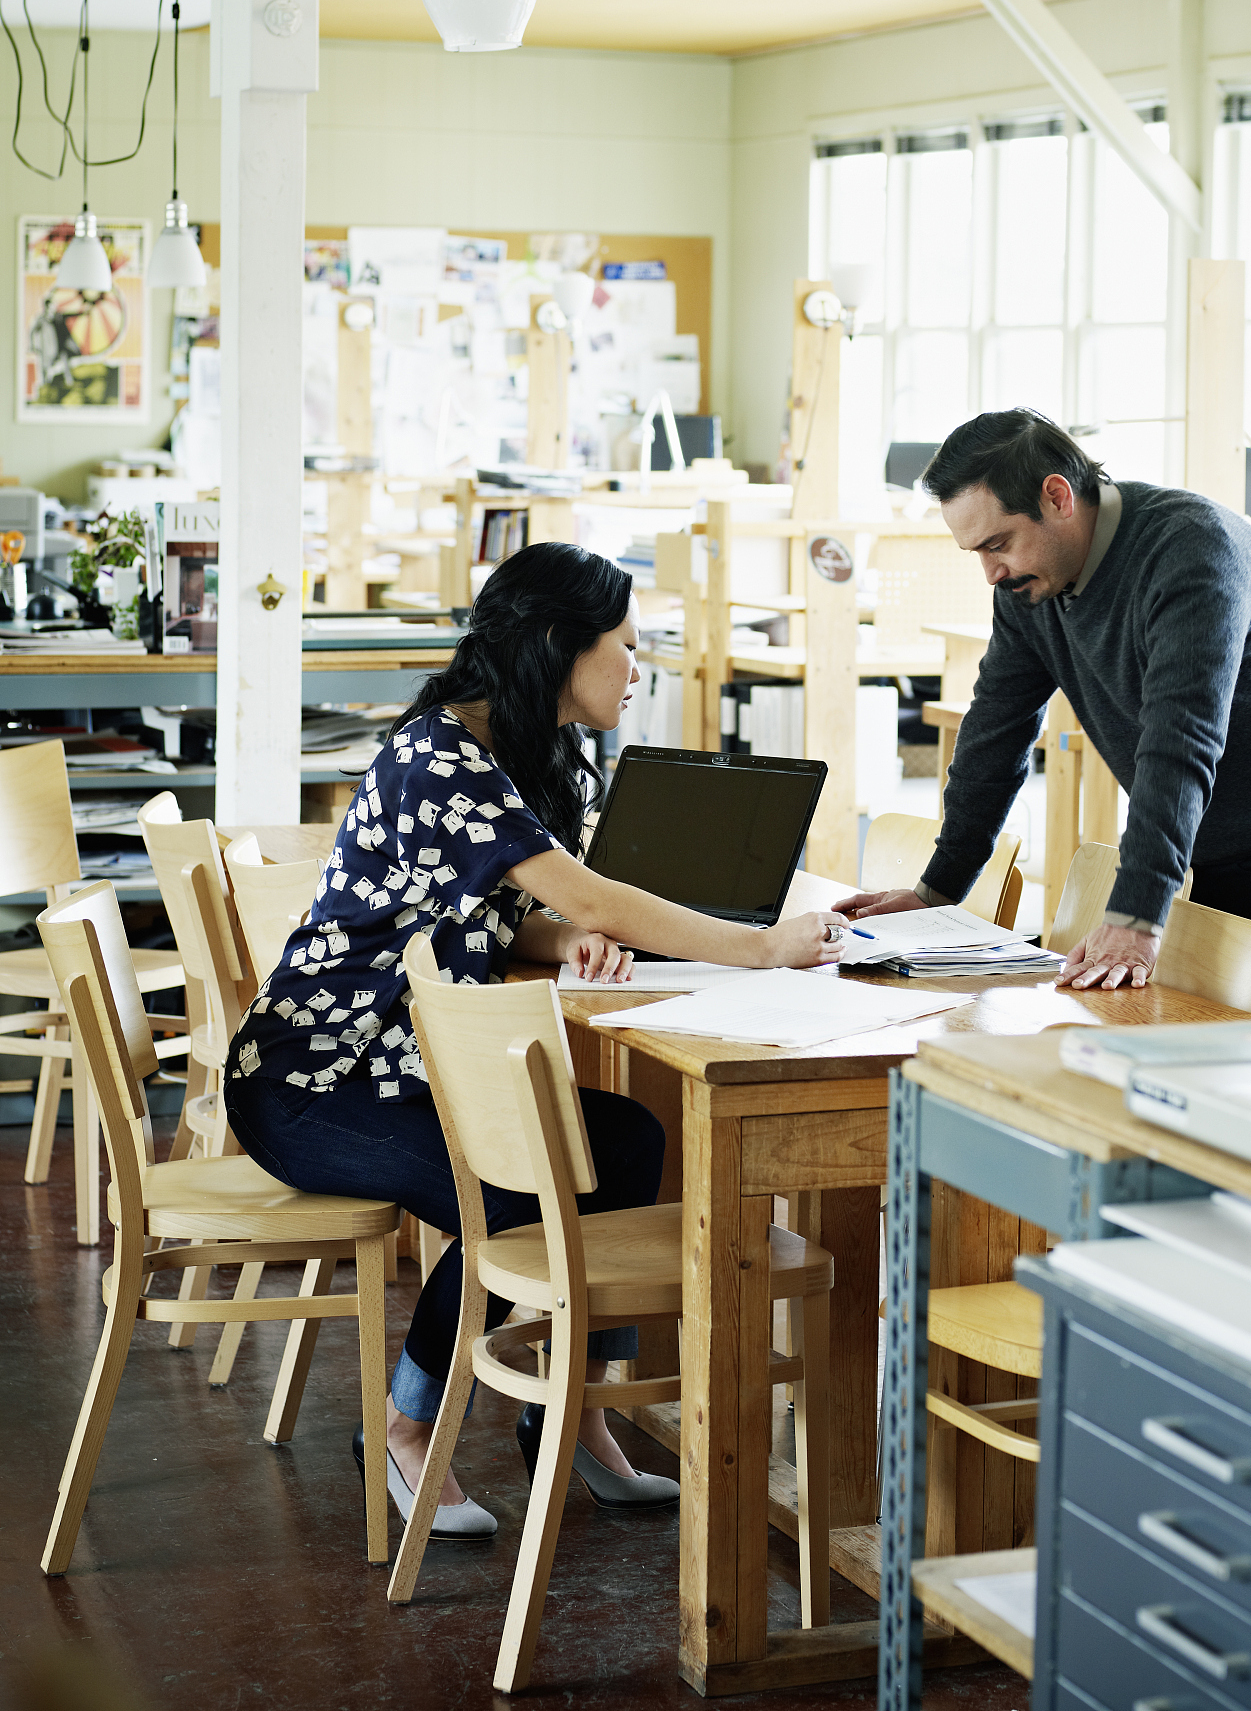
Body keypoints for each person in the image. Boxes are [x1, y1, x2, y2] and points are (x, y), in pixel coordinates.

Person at [225, 543, 849, 1535]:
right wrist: (764, 946)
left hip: (400, 1067)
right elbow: (593, 886)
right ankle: (406, 1423)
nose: (639, 668)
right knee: (516, 1185)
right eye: (629, 646)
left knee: (630, 1140)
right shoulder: (441, 751)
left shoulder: (494, 747)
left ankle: (570, 1406)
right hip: (316, 1082)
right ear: (562, 642)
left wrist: (566, 935)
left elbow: (492, 912)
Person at [836, 410, 1251, 1006]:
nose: (990, 572)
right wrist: (937, 892)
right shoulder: (1030, 586)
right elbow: (994, 732)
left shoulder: (1193, 550)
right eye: (975, 552)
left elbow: (1179, 741)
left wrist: (1135, 916)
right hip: (1214, 839)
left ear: (1057, 496)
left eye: (998, 544)